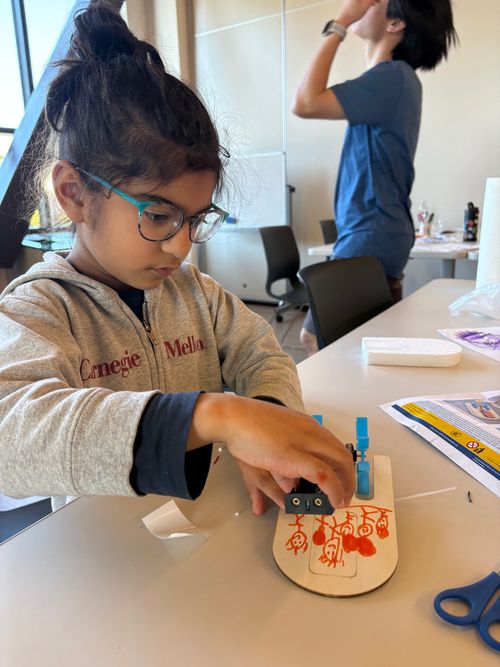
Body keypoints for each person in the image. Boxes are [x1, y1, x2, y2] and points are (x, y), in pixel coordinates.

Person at [0, 3, 354, 518]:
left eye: (195, 218)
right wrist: (216, 416)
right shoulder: (37, 310)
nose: (182, 245)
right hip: (106, 564)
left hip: (206, 527)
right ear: (74, 194)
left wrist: (269, 421)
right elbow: (10, 436)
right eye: (160, 215)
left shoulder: (195, 293)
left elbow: (263, 355)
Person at [293, 0, 457, 355]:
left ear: (395, 23)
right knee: (365, 349)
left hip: (370, 234)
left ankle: (333, 410)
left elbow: (304, 102)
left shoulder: (390, 79)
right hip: (380, 233)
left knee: (318, 340)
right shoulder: (397, 81)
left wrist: (341, 21)